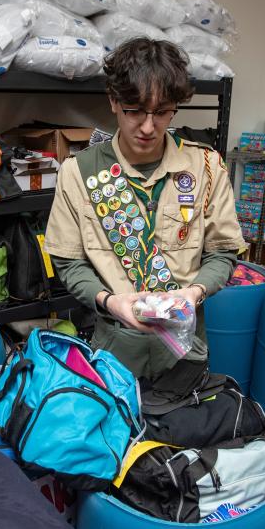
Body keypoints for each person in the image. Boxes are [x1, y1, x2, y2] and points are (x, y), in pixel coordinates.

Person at [43, 38, 244, 380]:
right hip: (114, 350)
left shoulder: (205, 167)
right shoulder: (80, 172)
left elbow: (223, 253)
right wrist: (110, 302)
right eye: (135, 111)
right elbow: (69, 261)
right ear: (113, 101)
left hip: (185, 349)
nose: (148, 127)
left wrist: (192, 293)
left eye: (162, 111)